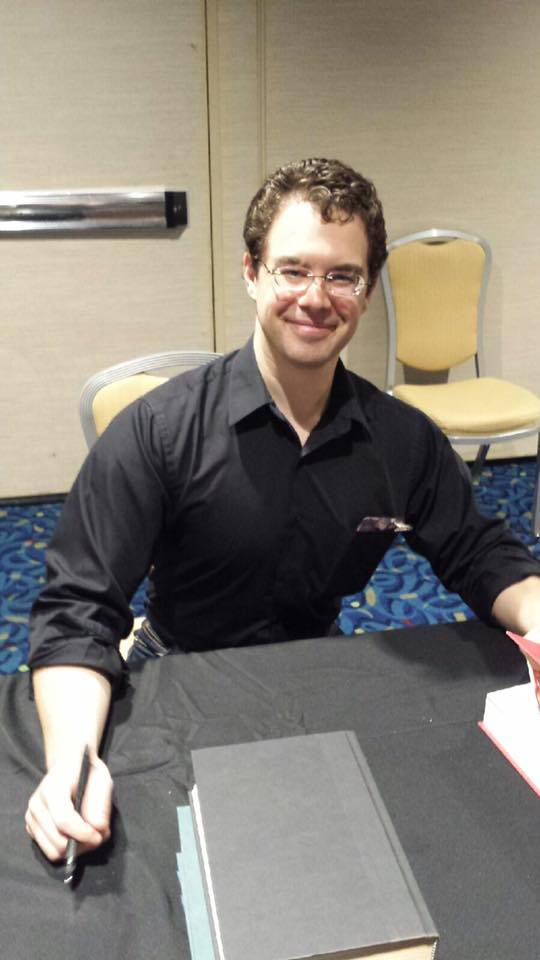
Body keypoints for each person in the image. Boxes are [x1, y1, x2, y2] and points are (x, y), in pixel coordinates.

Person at [25, 157, 540, 862]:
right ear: (251, 273)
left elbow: (478, 552)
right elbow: (77, 610)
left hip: (316, 677)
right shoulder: (159, 431)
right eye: (292, 269)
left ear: (368, 288)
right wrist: (71, 764)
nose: (315, 297)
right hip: (179, 677)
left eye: (341, 275)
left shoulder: (401, 439)